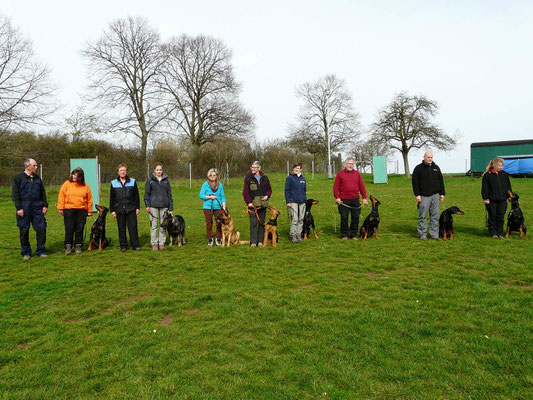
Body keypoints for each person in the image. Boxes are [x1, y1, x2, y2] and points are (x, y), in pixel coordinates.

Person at [11, 158, 48, 260]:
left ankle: (40, 250)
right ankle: (26, 252)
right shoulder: (18, 178)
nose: (36, 167)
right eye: (34, 165)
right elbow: (15, 194)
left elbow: (42, 192)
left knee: (41, 228)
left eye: (36, 165)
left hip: (37, 206)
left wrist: (45, 205)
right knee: (24, 230)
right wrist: (19, 208)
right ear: (28, 166)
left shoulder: (37, 178)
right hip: (24, 206)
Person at [57, 168, 93, 255]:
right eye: (73, 174)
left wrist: (90, 211)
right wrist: (60, 208)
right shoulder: (67, 184)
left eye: (76, 175)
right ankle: (68, 246)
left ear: (80, 177)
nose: (74, 176)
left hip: (82, 210)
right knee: (69, 228)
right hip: (69, 209)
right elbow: (61, 196)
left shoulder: (85, 186)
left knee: (80, 228)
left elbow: (89, 199)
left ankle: (78, 246)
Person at [412, 151, 445, 240]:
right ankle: (422, 234)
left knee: (435, 216)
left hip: (435, 195)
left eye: (431, 157)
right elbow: (415, 183)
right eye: (428, 157)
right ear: (424, 157)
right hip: (424, 196)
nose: (430, 159)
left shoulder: (436, 168)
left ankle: (434, 234)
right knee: (423, 216)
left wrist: (442, 193)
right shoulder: (418, 168)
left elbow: (441, 181)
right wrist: (417, 195)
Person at [333, 158, 368, 240]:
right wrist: (337, 197)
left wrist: (364, 198)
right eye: (349, 163)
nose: (350, 165)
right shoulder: (340, 174)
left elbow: (362, 187)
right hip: (343, 199)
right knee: (344, 217)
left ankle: (353, 234)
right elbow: (335, 187)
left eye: (352, 164)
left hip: (355, 199)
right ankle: (344, 234)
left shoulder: (357, 174)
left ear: (353, 164)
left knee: (355, 217)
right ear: (346, 164)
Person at [110, 163, 141, 252]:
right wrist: (112, 210)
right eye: (121, 170)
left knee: (133, 228)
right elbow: (112, 198)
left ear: (126, 171)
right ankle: (123, 246)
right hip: (119, 209)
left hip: (131, 208)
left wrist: (137, 207)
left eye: (124, 170)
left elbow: (136, 196)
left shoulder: (132, 181)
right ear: (118, 172)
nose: (123, 172)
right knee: (121, 229)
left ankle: (135, 245)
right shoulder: (113, 183)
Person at [145, 163, 173, 251]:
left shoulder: (166, 181)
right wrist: (147, 205)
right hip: (153, 206)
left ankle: (161, 243)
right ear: (154, 170)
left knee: (163, 225)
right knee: (154, 226)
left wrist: (170, 207)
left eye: (160, 170)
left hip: (164, 206)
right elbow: (146, 194)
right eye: (157, 170)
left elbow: (169, 194)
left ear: (162, 170)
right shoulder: (150, 180)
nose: (159, 171)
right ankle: (154, 243)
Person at [481, 157, 512, 239]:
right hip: (491, 200)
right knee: (492, 216)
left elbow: (508, 186)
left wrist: (509, 196)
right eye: (499, 165)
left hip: (502, 200)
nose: (500, 167)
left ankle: (500, 233)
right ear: (494, 165)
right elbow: (485, 188)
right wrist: (485, 198)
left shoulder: (504, 174)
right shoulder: (487, 175)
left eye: (501, 166)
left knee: (501, 216)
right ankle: (493, 233)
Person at [243, 161, 272, 247]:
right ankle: (253, 242)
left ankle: (260, 241)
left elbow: (269, 190)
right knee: (253, 224)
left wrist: (267, 196)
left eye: (254, 167)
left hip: (263, 205)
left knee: (262, 223)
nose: (252, 169)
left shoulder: (265, 178)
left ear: (259, 168)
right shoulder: (248, 179)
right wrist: (249, 202)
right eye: (252, 167)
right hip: (253, 206)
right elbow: (245, 192)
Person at [199, 168, 226, 247]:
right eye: (211, 175)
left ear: (216, 176)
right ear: (208, 176)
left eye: (214, 175)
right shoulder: (205, 184)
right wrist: (209, 197)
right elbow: (201, 195)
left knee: (219, 223)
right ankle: (210, 238)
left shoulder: (220, 185)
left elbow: (222, 196)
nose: (212, 176)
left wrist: (223, 206)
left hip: (218, 207)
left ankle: (218, 238)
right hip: (207, 207)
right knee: (209, 223)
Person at [285, 163, 307, 243]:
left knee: (301, 219)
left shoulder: (303, 179)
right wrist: (288, 201)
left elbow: (304, 190)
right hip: (293, 201)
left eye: (298, 168)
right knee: (295, 219)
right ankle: (293, 235)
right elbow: (286, 190)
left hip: (302, 202)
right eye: (295, 168)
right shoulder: (290, 178)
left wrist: (305, 199)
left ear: (300, 169)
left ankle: (298, 234)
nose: (296, 169)